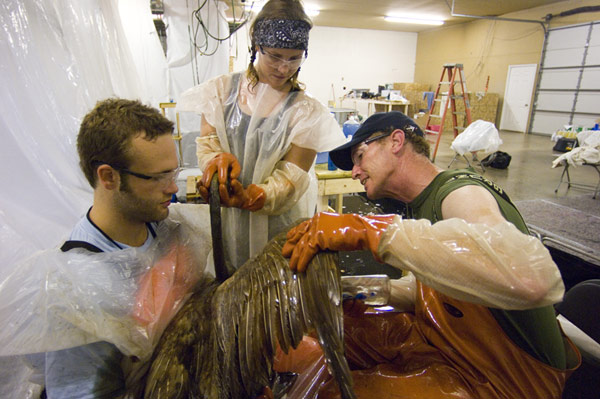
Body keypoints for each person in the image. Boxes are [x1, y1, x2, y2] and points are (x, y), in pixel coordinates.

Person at [282, 111, 581, 398]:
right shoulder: (417, 206)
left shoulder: (459, 192)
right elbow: (440, 294)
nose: (354, 171)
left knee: (333, 393)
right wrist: (354, 290)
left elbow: (530, 279)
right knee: (320, 330)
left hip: (503, 380)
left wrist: (371, 230)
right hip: (448, 345)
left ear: (396, 142)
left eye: (359, 156)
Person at [39, 98, 210, 398]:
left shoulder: (166, 230)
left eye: (174, 172)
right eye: (157, 177)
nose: (173, 187)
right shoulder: (81, 286)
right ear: (108, 177)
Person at [178, 0, 346, 269]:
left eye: (294, 58)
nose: (283, 68)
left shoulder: (306, 112)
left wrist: (252, 197)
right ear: (256, 46)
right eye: (275, 56)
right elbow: (208, 145)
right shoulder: (220, 93)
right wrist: (215, 164)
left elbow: (291, 180)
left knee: (273, 291)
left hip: (279, 224)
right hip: (228, 221)